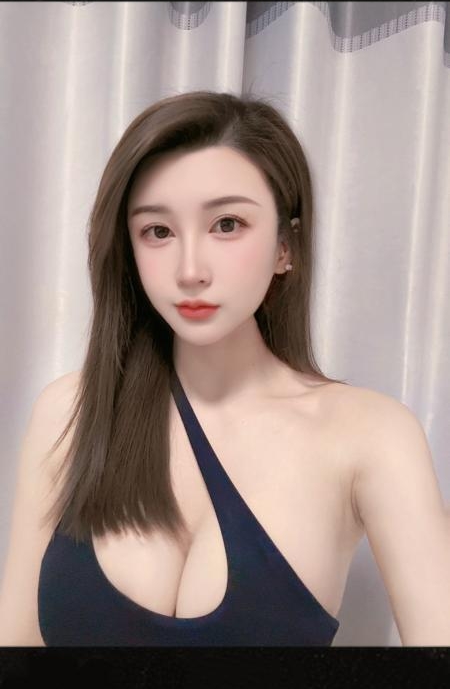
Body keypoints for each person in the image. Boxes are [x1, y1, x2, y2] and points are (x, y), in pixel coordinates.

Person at [1, 91, 449, 646]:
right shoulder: (70, 412)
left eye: (227, 224)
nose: (190, 270)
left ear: (286, 246)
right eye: (158, 231)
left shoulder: (370, 435)